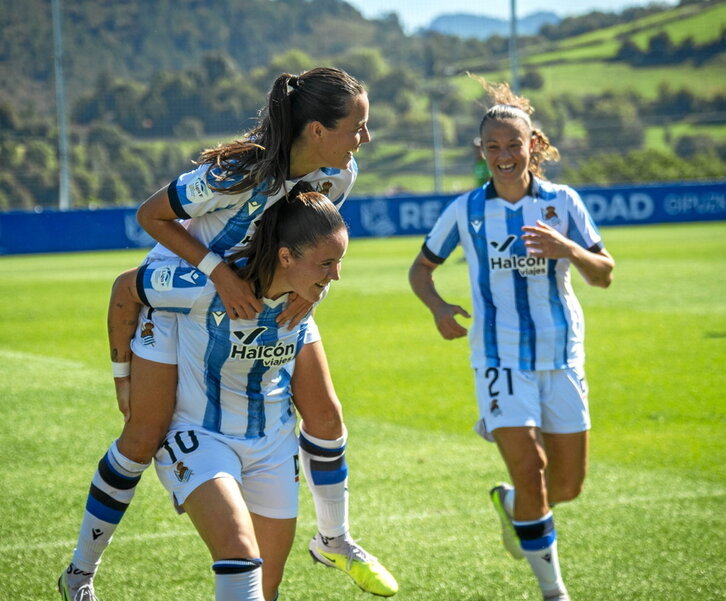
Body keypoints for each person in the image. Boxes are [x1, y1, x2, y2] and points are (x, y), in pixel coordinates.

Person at [59, 67, 397, 600]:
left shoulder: (339, 175)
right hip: (183, 292)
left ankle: (335, 536)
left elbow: (313, 244)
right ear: (315, 130)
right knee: (144, 434)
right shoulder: (238, 171)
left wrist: (309, 288)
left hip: (260, 292)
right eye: (358, 125)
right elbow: (151, 217)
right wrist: (217, 274)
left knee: (326, 412)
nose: (365, 138)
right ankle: (79, 574)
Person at [409, 80, 614, 601]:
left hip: (561, 355)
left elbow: (604, 273)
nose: (503, 155)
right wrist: (437, 308)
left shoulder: (563, 202)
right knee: (532, 471)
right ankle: (554, 592)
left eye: (513, 144)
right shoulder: (466, 210)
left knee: (564, 487)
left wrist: (566, 247)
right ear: (482, 151)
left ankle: (512, 506)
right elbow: (421, 269)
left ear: (533, 145)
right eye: (492, 146)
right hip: (497, 356)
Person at [121, 189, 344, 600]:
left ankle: (336, 539)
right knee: (240, 557)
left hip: (272, 443)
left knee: (268, 586)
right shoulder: (205, 288)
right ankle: (81, 569)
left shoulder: (306, 297)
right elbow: (124, 288)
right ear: (286, 257)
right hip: (199, 435)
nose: (335, 277)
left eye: (339, 262)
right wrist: (123, 378)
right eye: (327, 264)